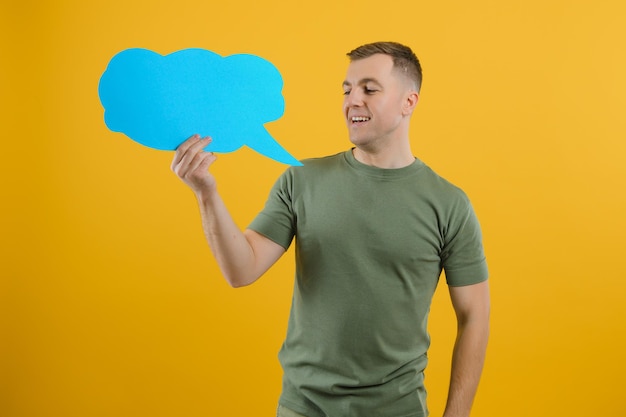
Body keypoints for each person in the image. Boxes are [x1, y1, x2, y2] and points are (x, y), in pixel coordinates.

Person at [171, 41, 490, 417]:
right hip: (303, 407)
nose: (353, 100)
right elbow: (242, 269)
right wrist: (207, 193)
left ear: (409, 102)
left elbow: (475, 315)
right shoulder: (301, 180)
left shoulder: (449, 204)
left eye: (369, 89)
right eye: (347, 89)